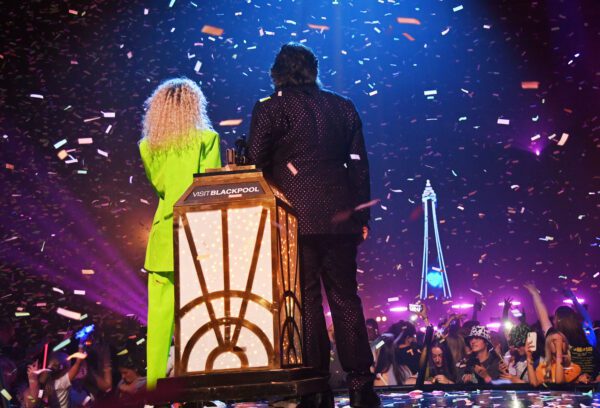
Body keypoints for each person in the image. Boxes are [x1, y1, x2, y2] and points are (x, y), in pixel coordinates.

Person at [247, 42, 379, 408]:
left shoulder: (270, 108)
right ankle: (360, 384)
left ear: (278, 72)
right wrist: (362, 216)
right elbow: (359, 164)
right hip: (341, 219)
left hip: (293, 219)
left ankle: (315, 387)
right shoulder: (342, 107)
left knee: (304, 302)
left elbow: (254, 162)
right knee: (345, 298)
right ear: (314, 70)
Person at [139, 77, 222, 389]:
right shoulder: (207, 138)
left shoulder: (149, 147)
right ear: (194, 104)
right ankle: (200, 384)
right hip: (196, 238)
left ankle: (153, 392)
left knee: (159, 322)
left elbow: (162, 188)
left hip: (162, 241)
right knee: (199, 315)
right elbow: (211, 189)